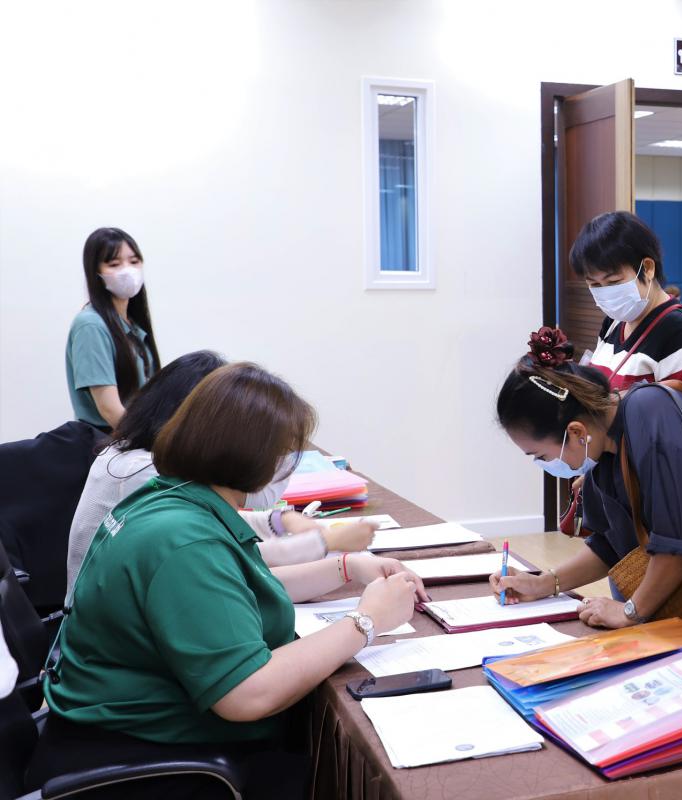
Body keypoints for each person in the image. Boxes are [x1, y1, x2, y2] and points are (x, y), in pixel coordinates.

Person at [30, 363, 423, 799]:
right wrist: (365, 621)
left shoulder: (172, 499)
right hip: (149, 766)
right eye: (287, 453)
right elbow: (247, 695)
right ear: (254, 455)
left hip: (127, 739)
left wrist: (345, 568)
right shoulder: (184, 540)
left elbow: (235, 590)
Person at [492, 328, 682, 660]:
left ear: (576, 431)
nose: (545, 465)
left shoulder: (650, 413)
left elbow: (677, 544)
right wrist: (542, 583)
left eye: (541, 456)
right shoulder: (605, 450)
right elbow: (610, 547)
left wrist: (630, 611)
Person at [66, 351, 377, 597]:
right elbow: (234, 556)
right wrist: (327, 542)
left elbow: (214, 522)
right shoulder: (145, 473)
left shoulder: (129, 455)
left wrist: (279, 520)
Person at [574, 212, 682, 412]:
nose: (606, 292)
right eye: (595, 284)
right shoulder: (614, 323)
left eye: (614, 282)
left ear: (647, 268)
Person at [66, 228, 162, 431]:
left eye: (134, 262)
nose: (127, 270)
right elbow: (109, 409)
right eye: (114, 264)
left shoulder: (133, 326)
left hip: (132, 437)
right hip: (109, 441)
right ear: (96, 273)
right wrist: (152, 442)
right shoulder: (91, 325)